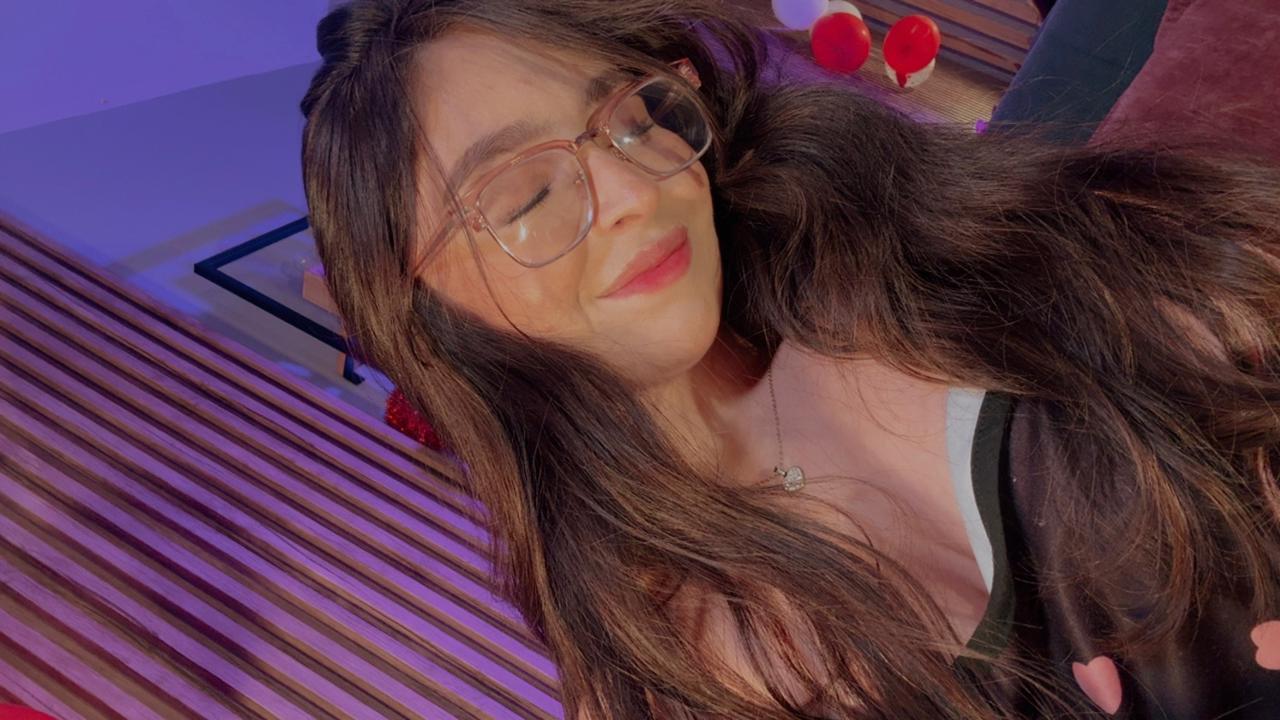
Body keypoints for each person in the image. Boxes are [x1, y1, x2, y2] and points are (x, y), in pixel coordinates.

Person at [298, 1, 1280, 717]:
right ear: (421, 306)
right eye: (526, 196)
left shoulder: (903, 237)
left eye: (631, 117)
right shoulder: (660, 669)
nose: (634, 190)